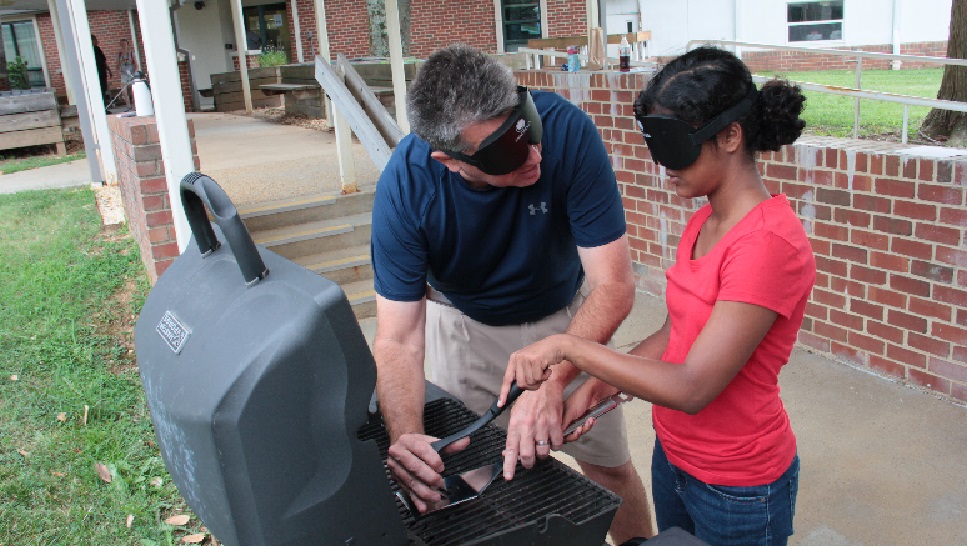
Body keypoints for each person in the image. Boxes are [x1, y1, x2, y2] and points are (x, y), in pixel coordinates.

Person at [498, 46, 815, 546]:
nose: (664, 167)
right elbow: (676, 334)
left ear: (731, 135)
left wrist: (569, 348)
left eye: (675, 146)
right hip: (674, 460)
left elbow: (692, 386)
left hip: (738, 488)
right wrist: (590, 392)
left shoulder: (767, 245)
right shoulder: (705, 220)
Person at [370, 43, 655, 543]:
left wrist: (553, 381)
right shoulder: (408, 185)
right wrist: (407, 436)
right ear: (450, 161)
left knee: (610, 470)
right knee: (491, 482)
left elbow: (613, 286)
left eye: (527, 129)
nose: (534, 155)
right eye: (504, 152)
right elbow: (398, 339)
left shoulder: (567, 130)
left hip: (569, 322)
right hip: (465, 329)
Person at [116, 38, 138, 109]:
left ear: (127, 45)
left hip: (131, 73)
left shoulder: (131, 53)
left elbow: (136, 64)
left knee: (133, 90)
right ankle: (128, 105)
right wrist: (117, 72)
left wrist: (134, 73)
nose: (123, 45)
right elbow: (117, 65)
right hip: (123, 73)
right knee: (123, 90)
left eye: (124, 44)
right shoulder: (118, 55)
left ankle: (135, 105)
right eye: (122, 44)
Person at [91, 35, 112, 106]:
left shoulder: (97, 49)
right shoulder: (91, 50)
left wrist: (108, 69)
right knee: (100, 90)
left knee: (103, 90)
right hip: (97, 73)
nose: (97, 41)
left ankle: (104, 107)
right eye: (95, 40)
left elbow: (103, 61)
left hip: (102, 72)